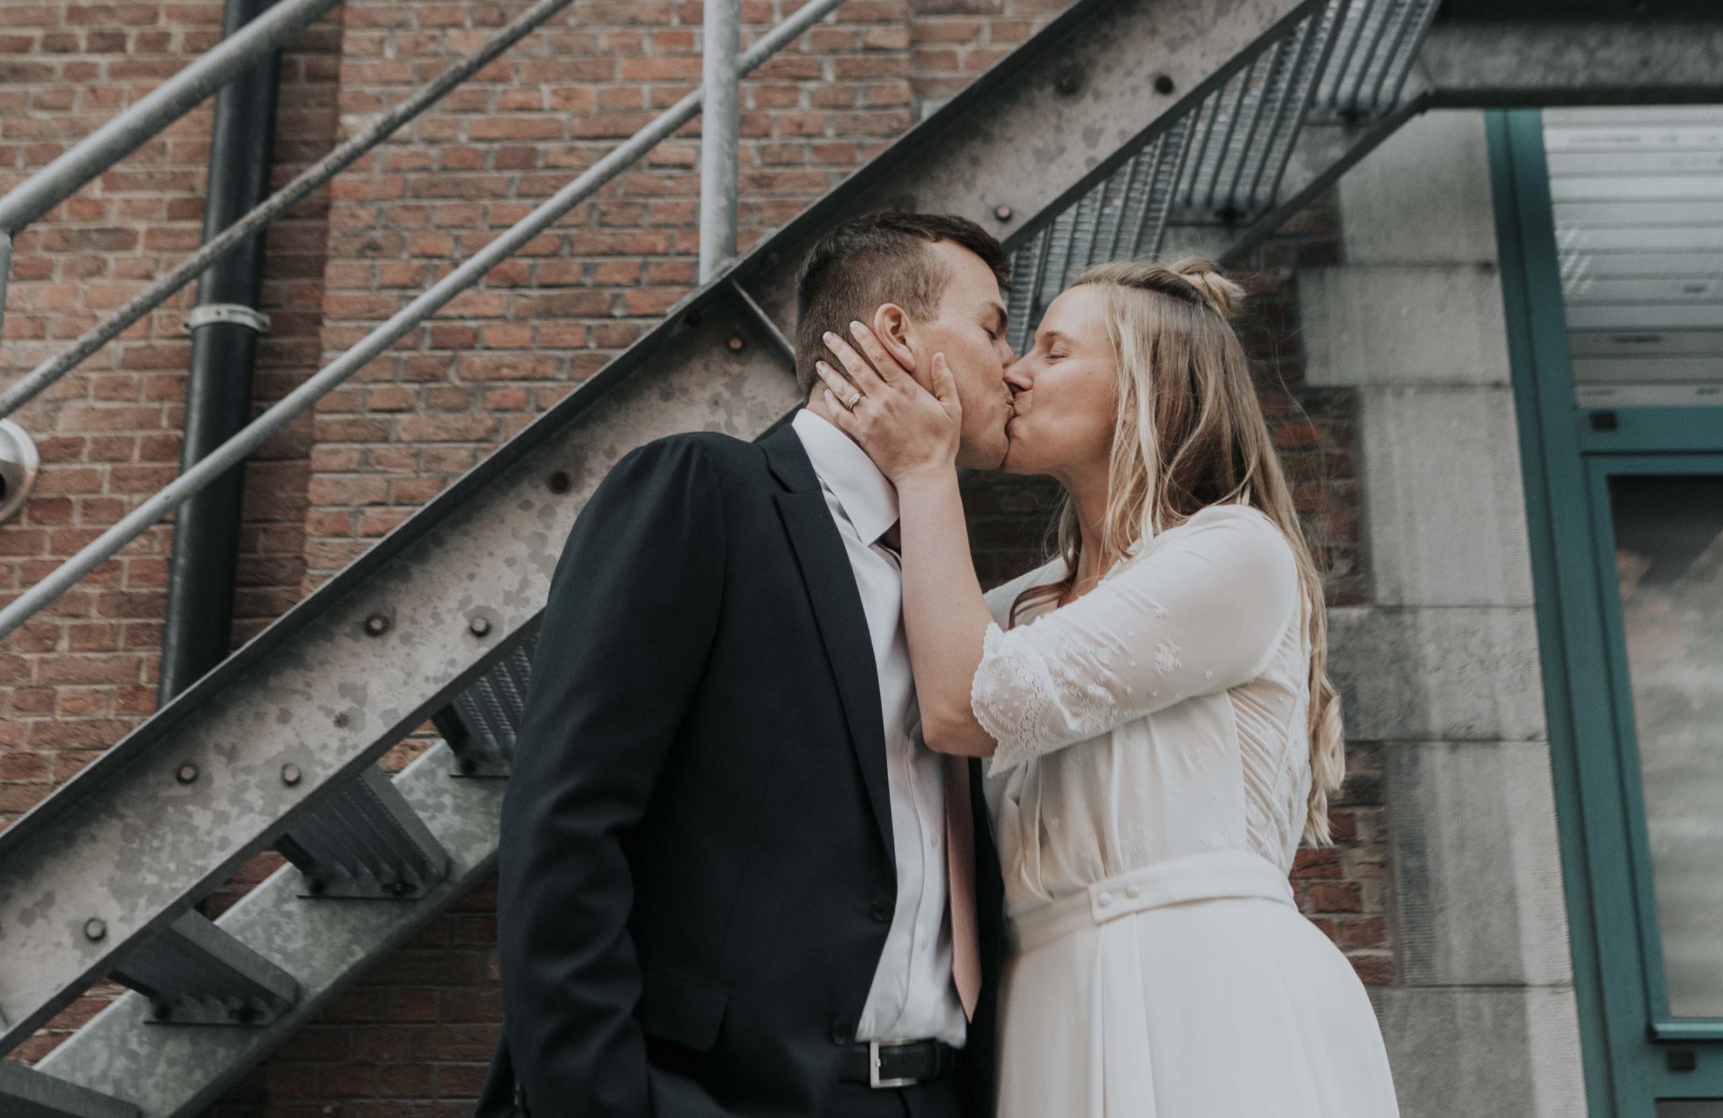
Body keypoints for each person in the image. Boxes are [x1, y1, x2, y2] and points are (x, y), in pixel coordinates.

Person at [811, 258, 1399, 1118]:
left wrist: (928, 470)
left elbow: (968, 705)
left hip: (1209, 994)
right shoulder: (1016, 608)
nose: (1015, 370)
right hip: (1043, 1012)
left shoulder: (1236, 553)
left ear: (1148, 389)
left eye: (1054, 352)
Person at [479, 211, 1019, 1118]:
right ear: (895, 333)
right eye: (993, 326)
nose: (1010, 365)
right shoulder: (705, 490)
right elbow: (565, 818)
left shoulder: (953, 588)